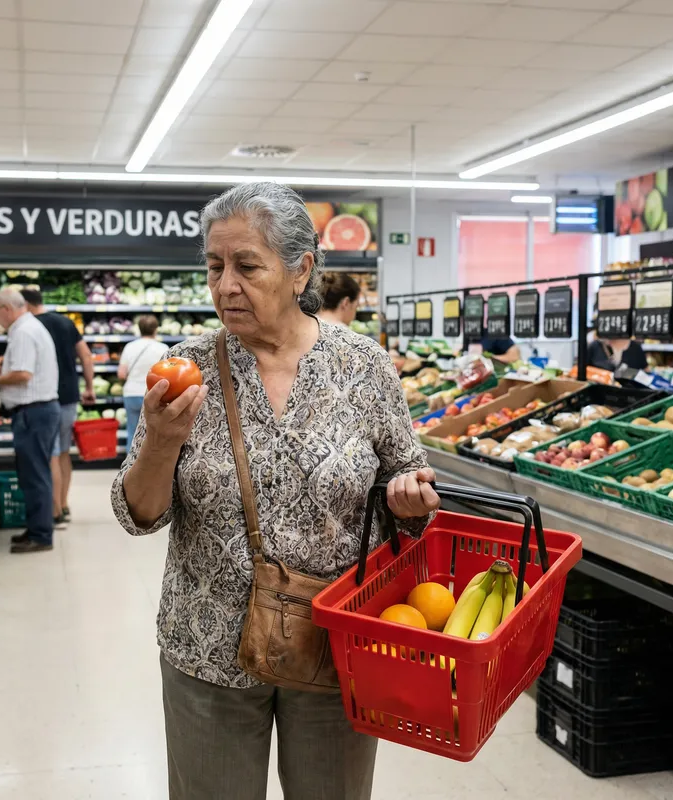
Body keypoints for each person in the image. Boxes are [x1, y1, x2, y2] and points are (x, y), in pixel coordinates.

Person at [111, 182, 439, 800]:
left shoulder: (361, 365)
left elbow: (408, 477)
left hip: (336, 644)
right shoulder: (188, 369)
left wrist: (406, 499)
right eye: (214, 266)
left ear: (300, 270)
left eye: (246, 266)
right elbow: (139, 515)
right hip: (208, 647)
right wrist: (159, 440)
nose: (225, 285)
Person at [0, 289, 59, 554]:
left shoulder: (24, 331)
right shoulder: (26, 327)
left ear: (6, 309)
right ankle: (36, 528)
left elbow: (23, 374)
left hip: (33, 413)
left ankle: (41, 535)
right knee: (33, 474)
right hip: (36, 412)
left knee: (35, 475)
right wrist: (2, 362)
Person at [20, 288, 95, 526]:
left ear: (26, 305)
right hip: (69, 395)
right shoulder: (64, 322)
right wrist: (89, 386)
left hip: (45, 396)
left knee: (50, 455)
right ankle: (63, 504)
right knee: (63, 453)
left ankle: (54, 513)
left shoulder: (30, 327)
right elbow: (85, 354)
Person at [117, 314, 168, 445]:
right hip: (154, 394)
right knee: (153, 433)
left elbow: (121, 374)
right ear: (156, 329)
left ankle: (130, 464)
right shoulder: (162, 348)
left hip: (131, 394)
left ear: (139, 329)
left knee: (132, 433)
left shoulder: (130, 347)